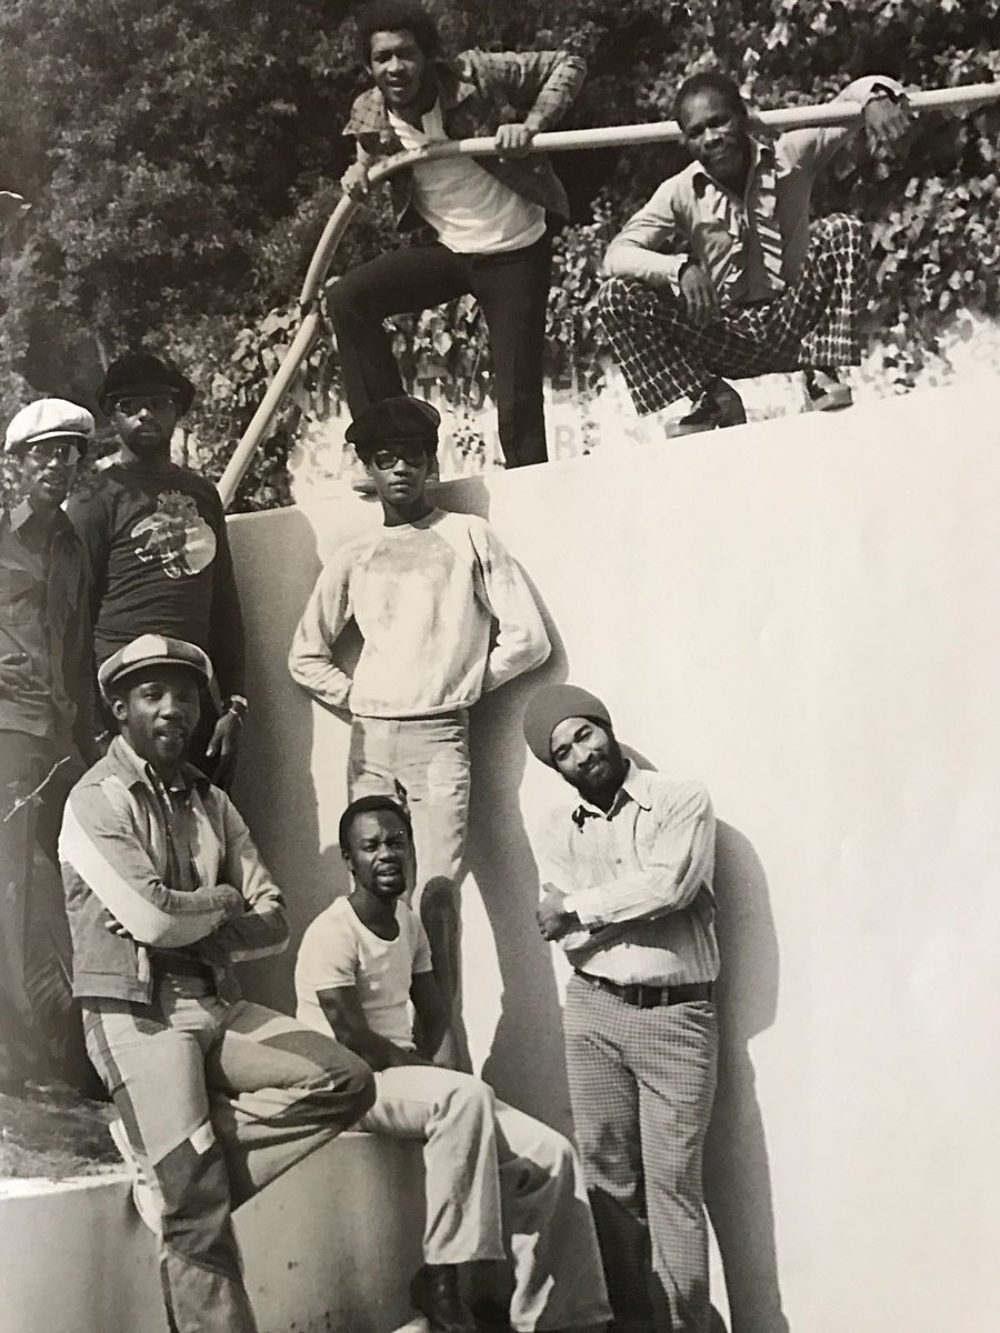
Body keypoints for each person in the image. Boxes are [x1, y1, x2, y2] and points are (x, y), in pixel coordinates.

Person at [58, 633, 375, 1333]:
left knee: (344, 1080)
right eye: (152, 694)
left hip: (213, 1000)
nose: (173, 709)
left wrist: (193, 920)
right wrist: (225, 901)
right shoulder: (94, 799)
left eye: (186, 695)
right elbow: (153, 915)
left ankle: (174, 1164)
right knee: (197, 1209)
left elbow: (277, 921)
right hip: (135, 1012)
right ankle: (184, 1179)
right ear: (120, 709)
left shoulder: (212, 802)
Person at [288, 395, 550, 1053]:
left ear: (431, 464)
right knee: (374, 893)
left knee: (434, 895)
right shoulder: (357, 555)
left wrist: (461, 687)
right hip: (371, 740)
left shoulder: (468, 535)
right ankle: (379, 1051)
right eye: (385, 459)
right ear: (369, 470)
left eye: (412, 456)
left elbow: (528, 640)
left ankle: (442, 1052)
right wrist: (362, 697)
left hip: (439, 738)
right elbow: (305, 656)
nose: (400, 469)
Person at [294, 793, 611, 1333]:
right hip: (349, 1083)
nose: (387, 854)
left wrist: (435, 1072)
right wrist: (430, 1076)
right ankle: (441, 1277)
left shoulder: (408, 923)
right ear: (349, 860)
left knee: (552, 1154)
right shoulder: (332, 932)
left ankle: (564, 1320)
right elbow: (353, 1040)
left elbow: (435, 1014)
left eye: (397, 842)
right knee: (463, 1095)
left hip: (402, 1080)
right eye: (370, 846)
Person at [523, 685, 719, 1333]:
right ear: (557, 768)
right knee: (609, 1182)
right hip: (593, 1011)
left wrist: (584, 906)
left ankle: (688, 1325)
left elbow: (671, 885)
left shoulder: (680, 798)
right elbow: (564, 936)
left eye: (585, 734)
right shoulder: (554, 827)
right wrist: (630, 906)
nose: (582, 753)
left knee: (673, 1186)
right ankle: (634, 1322)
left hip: (676, 1018)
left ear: (605, 728)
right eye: (563, 751)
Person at [328, 0, 588, 468]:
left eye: (406, 53)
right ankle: (393, 446)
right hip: (446, 250)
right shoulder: (368, 110)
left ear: (428, 56)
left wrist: (530, 126)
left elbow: (569, 63)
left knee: (517, 402)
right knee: (348, 300)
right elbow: (370, 153)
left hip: (514, 247)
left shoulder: (476, 74)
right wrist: (359, 169)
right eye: (382, 58)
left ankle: (532, 492)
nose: (395, 68)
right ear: (369, 67)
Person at [598, 70, 911, 433]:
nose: (711, 139)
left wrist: (875, 97)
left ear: (742, 116)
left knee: (843, 231)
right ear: (685, 141)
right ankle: (711, 398)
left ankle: (821, 371)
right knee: (616, 296)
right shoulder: (679, 190)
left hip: (796, 325)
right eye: (696, 132)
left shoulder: (790, 155)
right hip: (727, 335)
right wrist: (679, 268)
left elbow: (845, 103)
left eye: (719, 122)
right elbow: (616, 255)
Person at [67, 351, 247, 784]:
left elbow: (224, 604)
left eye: (158, 403)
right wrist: (92, 725)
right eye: (129, 405)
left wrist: (235, 705)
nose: (145, 414)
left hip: (190, 693)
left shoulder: (202, 494)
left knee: (206, 815)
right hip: (125, 695)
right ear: (113, 416)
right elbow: (73, 617)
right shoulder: (95, 498)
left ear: (177, 410)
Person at [0, 398, 98, 1093]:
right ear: (16, 464)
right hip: (8, 735)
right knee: (12, 889)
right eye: (44, 453)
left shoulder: (73, 546)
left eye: (69, 452)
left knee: (58, 891)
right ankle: (19, 1057)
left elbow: (78, 650)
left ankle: (58, 1044)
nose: (58, 464)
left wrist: (88, 743)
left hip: (60, 741)